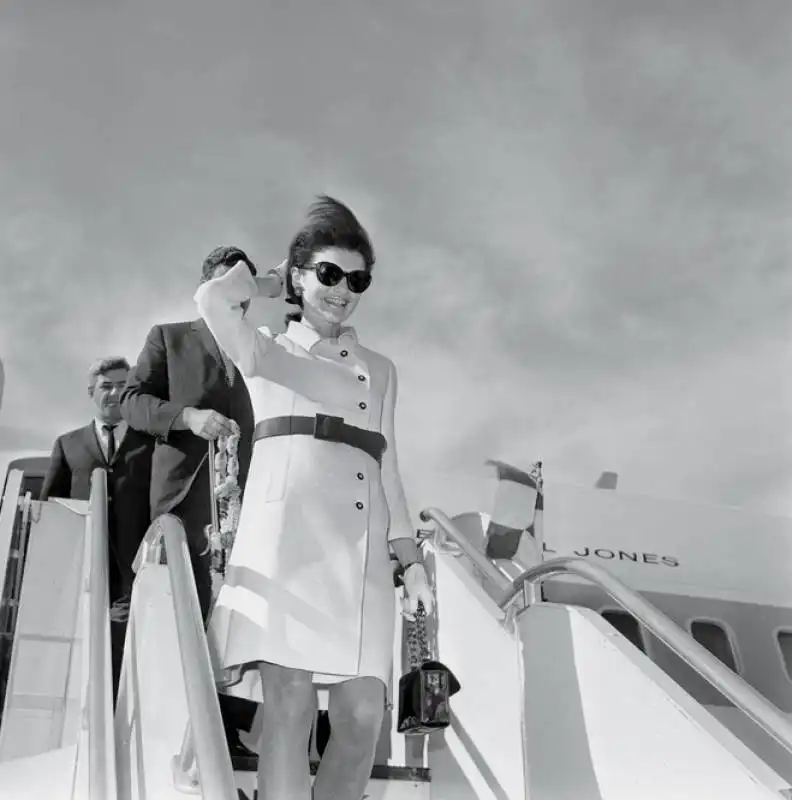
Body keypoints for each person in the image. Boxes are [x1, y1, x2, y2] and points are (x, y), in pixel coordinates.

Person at [195, 196, 434, 800]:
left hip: (359, 554)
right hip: (286, 545)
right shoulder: (265, 348)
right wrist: (276, 280)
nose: (343, 289)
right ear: (299, 276)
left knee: (361, 717)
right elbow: (213, 300)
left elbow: (390, 466)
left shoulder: (380, 370)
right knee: (290, 708)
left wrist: (408, 558)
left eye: (357, 279)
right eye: (328, 273)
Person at [119, 246, 258, 758]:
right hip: (185, 503)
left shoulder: (260, 350)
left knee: (240, 616)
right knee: (193, 613)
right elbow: (133, 400)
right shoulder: (169, 337)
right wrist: (187, 418)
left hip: (250, 508)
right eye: (226, 286)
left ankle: (237, 733)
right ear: (205, 289)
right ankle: (190, 736)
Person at [40, 357, 154, 701]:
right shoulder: (68, 444)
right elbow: (49, 508)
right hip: (81, 570)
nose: (116, 392)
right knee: (80, 656)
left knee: (126, 656)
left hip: (134, 573)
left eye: (123, 385)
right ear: (92, 392)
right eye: (107, 386)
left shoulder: (151, 444)